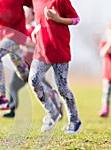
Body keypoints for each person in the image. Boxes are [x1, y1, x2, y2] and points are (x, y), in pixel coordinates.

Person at [29, 0, 81, 134]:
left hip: (59, 51)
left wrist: (57, 19)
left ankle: (74, 120)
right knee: (34, 80)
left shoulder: (61, 1)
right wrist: (36, 28)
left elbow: (76, 19)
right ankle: (52, 112)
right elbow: (39, 20)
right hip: (41, 51)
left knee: (62, 88)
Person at [3, 7, 63, 119]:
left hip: (33, 65)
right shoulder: (20, 29)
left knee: (44, 88)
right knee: (13, 86)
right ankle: (11, 109)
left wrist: (23, 41)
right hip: (21, 65)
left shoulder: (35, 29)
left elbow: (37, 44)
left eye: (26, 13)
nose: (23, 15)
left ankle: (57, 107)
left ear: (32, 15)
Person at [0, 0, 32, 110]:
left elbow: (35, 5)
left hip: (18, 34)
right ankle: (51, 97)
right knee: (27, 76)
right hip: (5, 36)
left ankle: (1, 99)